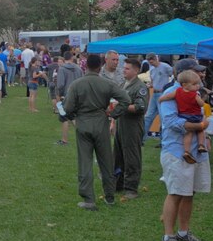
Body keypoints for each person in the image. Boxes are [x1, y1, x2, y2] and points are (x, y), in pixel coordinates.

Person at [63, 53, 130, 210]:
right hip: (101, 123)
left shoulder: (77, 84)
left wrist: (74, 116)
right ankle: (110, 196)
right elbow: (126, 99)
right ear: (100, 66)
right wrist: (113, 113)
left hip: (83, 123)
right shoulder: (106, 83)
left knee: (85, 162)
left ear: (86, 66)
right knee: (106, 161)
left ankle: (88, 199)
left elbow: (68, 108)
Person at [159, 58, 211, 241]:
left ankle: (183, 232)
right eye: (195, 72)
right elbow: (171, 121)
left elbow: (203, 113)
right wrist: (199, 126)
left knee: (190, 192)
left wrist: (204, 127)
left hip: (196, 151)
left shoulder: (196, 93)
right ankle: (168, 236)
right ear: (182, 75)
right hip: (177, 152)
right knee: (176, 192)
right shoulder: (171, 94)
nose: (200, 75)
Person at [113, 58, 148, 198]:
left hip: (132, 126)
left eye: (127, 68)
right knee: (118, 155)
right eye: (124, 68)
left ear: (136, 70)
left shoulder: (139, 87)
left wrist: (122, 107)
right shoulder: (124, 84)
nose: (123, 70)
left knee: (131, 157)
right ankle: (118, 183)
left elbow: (140, 107)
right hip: (121, 124)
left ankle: (131, 188)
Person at [159, 70, 207, 161]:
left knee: (188, 133)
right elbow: (201, 104)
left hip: (184, 116)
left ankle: (186, 151)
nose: (198, 85)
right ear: (185, 84)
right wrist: (201, 101)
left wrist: (161, 99)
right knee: (200, 130)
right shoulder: (195, 94)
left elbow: (168, 97)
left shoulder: (177, 91)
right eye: (195, 83)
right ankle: (201, 145)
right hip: (195, 117)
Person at [143, 53, 174, 144]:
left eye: (151, 60)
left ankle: (163, 140)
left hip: (162, 94)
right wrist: (149, 85)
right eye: (149, 61)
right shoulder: (152, 69)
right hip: (155, 94)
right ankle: (142, 139)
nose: (150, 62)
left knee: (162, 117)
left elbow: (174, 75)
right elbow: (153, 81)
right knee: (148, 116)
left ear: (155, 59)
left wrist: (168, 87)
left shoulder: (165, 66)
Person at [54, 51, 84, 146]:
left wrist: (59, 95)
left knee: (64, 117)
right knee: (73, 116)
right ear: (72, 57)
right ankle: (84, 136)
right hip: (77, 96)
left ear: (64, 58)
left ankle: (64, 140)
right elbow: (82, 81)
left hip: (65, 96)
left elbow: (60, 85)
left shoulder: (62, 69)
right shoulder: (79, 69)